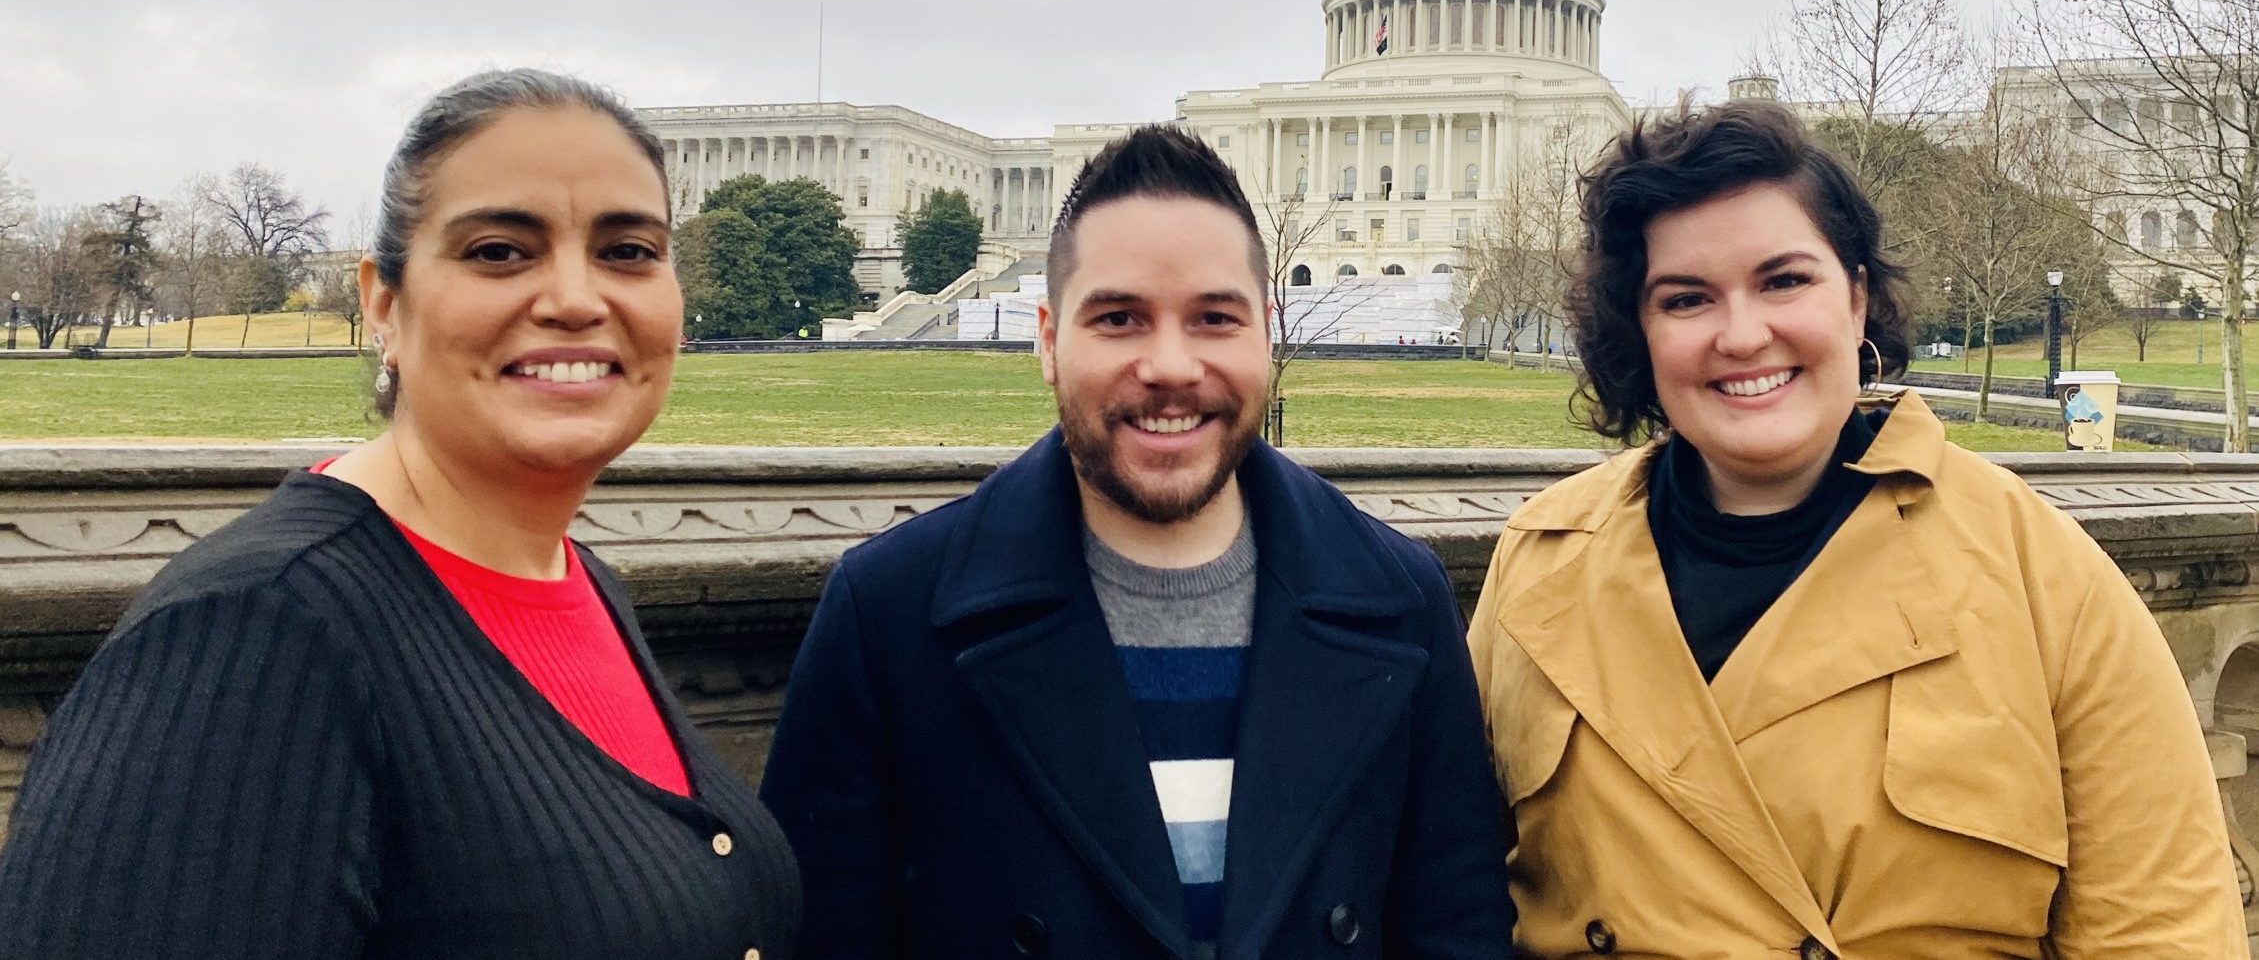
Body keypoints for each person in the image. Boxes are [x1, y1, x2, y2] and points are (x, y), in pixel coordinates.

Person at [0, 69, 800, 959]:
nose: (577, 299)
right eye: (500, 250)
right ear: (384, 301)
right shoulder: (254, 632)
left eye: (628, 251)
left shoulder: (576, 584)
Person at [1468, 102, 2242, 959]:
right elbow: (1450, 901)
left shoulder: (2038, 569)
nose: (1743, 333)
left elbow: (2160, 924)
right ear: (1640, 332)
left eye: (1784, 280)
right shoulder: (1538, 562)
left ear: (1857, 296)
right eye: (1685, 299)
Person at [761, 125, 1511, 959]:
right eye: (1118, 318)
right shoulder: (888, 614)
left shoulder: (1401, 600)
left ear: (1267, 332)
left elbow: (1457, 926)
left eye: (1213, 318)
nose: (1169, 366)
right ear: (1047, 340)